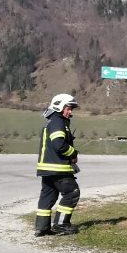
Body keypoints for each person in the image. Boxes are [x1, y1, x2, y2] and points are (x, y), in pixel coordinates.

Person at [34, 93, 81, 237]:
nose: (70, 112)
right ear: (59, 107)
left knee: (48, 197)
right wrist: (73, 153)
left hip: (47, 169)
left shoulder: (53, 121)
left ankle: (42, 228)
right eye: (68, 108)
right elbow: (59, 145)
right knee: (72, 193)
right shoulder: (58, 122)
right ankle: (61, 225)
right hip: (58, 169)